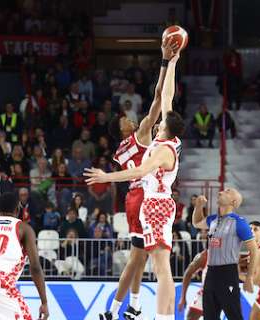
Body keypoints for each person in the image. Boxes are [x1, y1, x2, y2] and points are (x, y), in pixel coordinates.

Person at [86, 43, 184, 320]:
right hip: (145, 195)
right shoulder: (145, 134)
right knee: (143, 259)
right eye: (123, 120)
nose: (129, 118)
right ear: (123, 130)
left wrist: (169, 61)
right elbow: (160, 99)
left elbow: (164, 98)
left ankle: (130, 307)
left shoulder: (128, 149)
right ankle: (134, 306)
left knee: (142, 259)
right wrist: (168, 63)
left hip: (140, 196)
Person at [191, 190, 258, 320]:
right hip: (210, 273)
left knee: (234, 316)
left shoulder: (239, 222)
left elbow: (254, 251)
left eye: (227, 191)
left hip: (228, 273)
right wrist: (198, 207)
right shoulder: (213, 220)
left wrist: (249, 277)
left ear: (233, 202)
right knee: (209, 316)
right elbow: (196, 223)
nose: (221, 191)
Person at [178, 250, 208, 320]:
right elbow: (188, 273)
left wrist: (183, 298)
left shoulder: (206, 255)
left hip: (220, 292)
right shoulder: (205, 255)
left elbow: (188, 273)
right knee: (191, 316)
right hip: (207, 293)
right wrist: (183, 297)